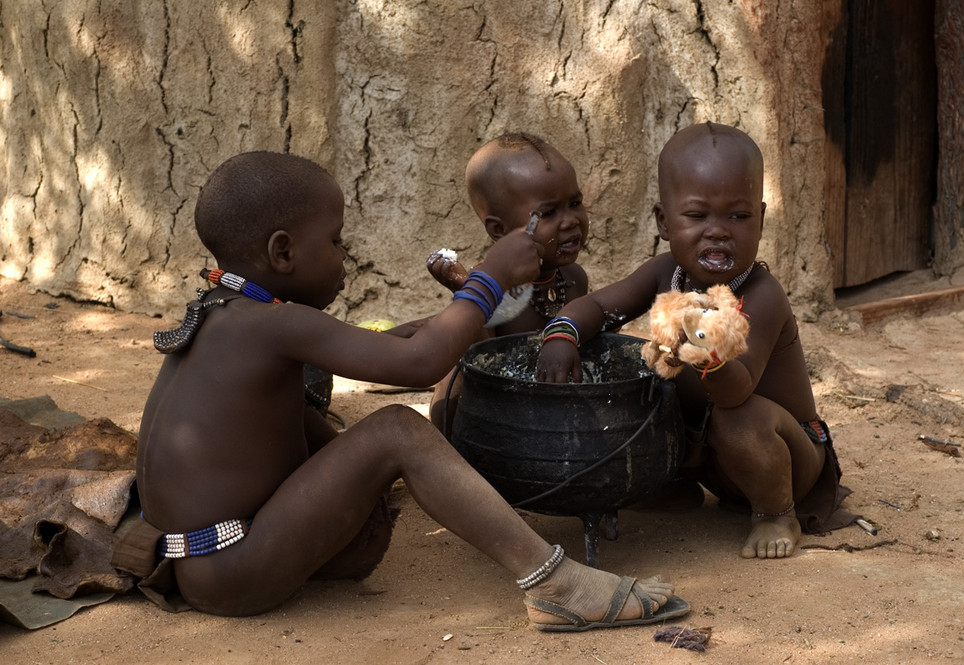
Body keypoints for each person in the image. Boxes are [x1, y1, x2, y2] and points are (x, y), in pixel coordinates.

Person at [111, 150, 689, 631]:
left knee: (316, 405)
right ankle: (554, 582)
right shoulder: (279, 325)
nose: (346, 255)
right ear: (283, 251)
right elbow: (418, 367)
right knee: (396, 430)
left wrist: (429, 329)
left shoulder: (228, 311)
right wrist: (489, 278)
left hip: (197, 554)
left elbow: (387, 352)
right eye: (335, 241)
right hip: (232, 565)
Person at [535, 122, 851, 560]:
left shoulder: (761, 294)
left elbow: (738, 388)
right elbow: (599, 307)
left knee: (739, 416)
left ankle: (776, 513)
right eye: (698, 216)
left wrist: (704, 355)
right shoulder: (665, 272)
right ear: (664, 221)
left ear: (760, 217)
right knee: (634, 374)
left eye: (738, 217)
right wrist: (561, 334)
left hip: (782, 455)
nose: (718, 231)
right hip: (712, 457)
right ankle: (672, 486)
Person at [426, 132, 590, 432]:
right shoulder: (490, 288)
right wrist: (464, 290)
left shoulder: (574, 279)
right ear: (499, 229)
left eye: (575, 203)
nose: (570, 221)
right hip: (491, 416)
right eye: (549, 212)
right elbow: (482, 362)